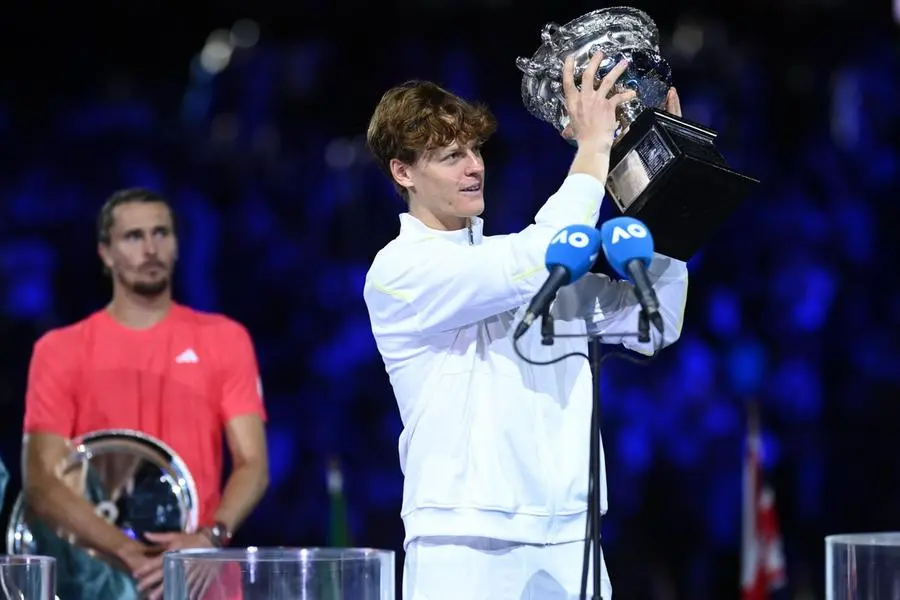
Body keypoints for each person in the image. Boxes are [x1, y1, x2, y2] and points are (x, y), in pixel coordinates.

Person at [363, 51, 689, 600]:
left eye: (473, 150)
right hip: (463, 543)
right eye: (449, 156)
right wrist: (592, 148)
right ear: (403, 172)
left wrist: (668, 177)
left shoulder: (518, 261)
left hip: (571, 535)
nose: (473, 166)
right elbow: (534, 261)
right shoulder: (399, 271)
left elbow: (652, 323)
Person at [21, 188, 269, 600]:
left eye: (161, 233)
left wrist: (209, 539)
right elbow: (42, 482)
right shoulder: (59, 350)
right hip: (100, 580)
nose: (150, 248)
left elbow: (253, 464)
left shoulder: (226, 339)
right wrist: (129, 553)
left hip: (203, 576)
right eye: (133, 237)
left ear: (176, 243)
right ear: (105, 252)